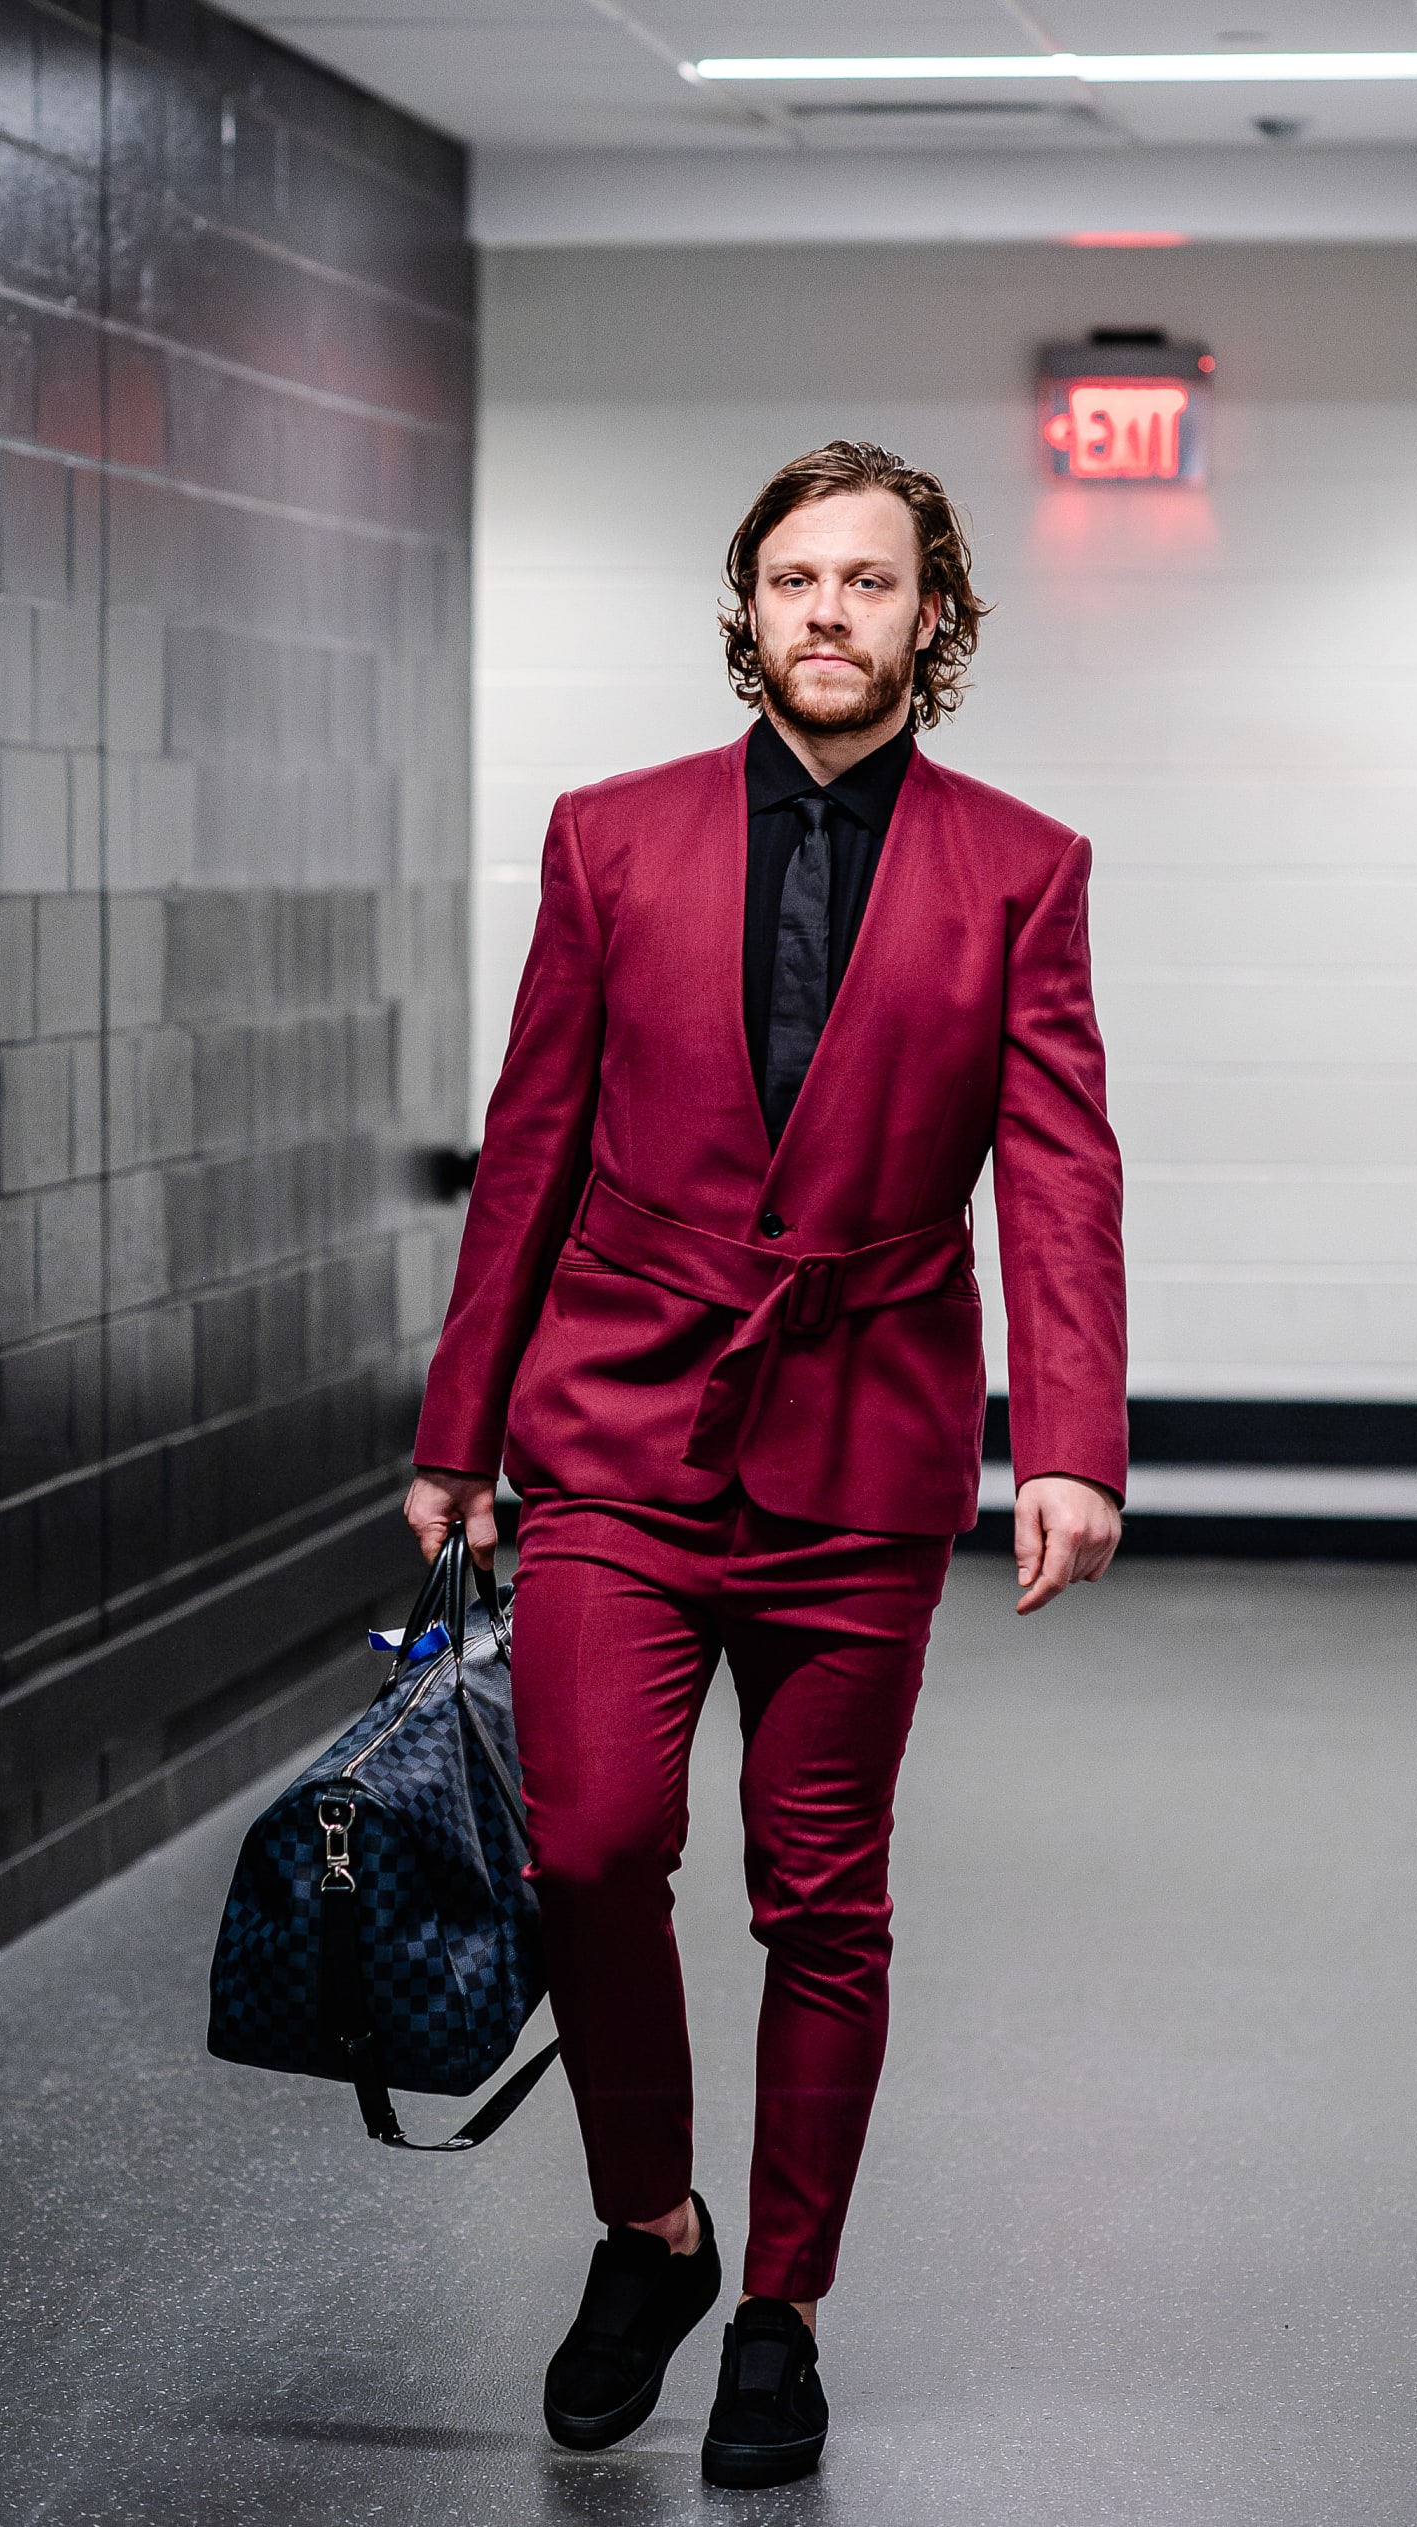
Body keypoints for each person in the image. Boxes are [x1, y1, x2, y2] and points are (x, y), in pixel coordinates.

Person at [406, 440, 1127, 2489]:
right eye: (796, 576)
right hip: (620, 1428)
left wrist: (1069, 1441)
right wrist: (462, 1423)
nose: (830, 608)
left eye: (871, 580)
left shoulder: (1021, 867)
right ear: (751, 605)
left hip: (865, 1441)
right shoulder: (609, 838)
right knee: (589, 1845)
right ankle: (652, 2231)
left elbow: (1061, 1168)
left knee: (825, 1896)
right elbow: (530, 1137)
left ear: (933, 618)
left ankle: (783, 2312)